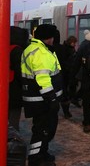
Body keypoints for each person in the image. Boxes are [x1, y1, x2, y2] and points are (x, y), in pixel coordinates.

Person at [21, 24, 63, 166]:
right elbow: (43, 79)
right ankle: (36, 159)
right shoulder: (41, 52)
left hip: (37, 99)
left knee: (44, 129)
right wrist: (51, 98)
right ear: (49, 37)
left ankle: (43, 153)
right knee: (43, 130)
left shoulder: (34, 49)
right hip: (42, 100)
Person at [9, 26, 29, 131]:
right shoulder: (18, 51)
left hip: (6, 88)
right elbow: (21, 73)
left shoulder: (6, 47)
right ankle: (12, 142)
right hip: (14, 89)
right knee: (13, 120)